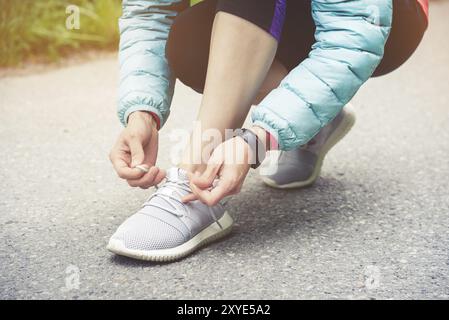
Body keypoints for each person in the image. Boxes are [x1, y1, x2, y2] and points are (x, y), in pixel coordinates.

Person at [108, 0, 428, 261]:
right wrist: (142, 112)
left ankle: (195, 180)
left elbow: (351, 37)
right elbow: (150, 12)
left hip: (382, 17)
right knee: (191, 41)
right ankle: (314, 120)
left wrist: (257, 140)